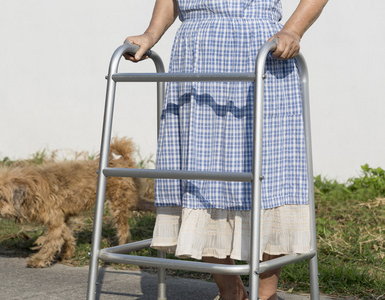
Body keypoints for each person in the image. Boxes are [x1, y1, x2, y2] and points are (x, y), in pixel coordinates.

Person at [124, 0, 328, 299]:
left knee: (269, 175)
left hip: (261, 49)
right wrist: (151, 33)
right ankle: (232, 291)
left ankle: (265, 294)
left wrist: (293, 30)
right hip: (196, 52)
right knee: (201, 175)